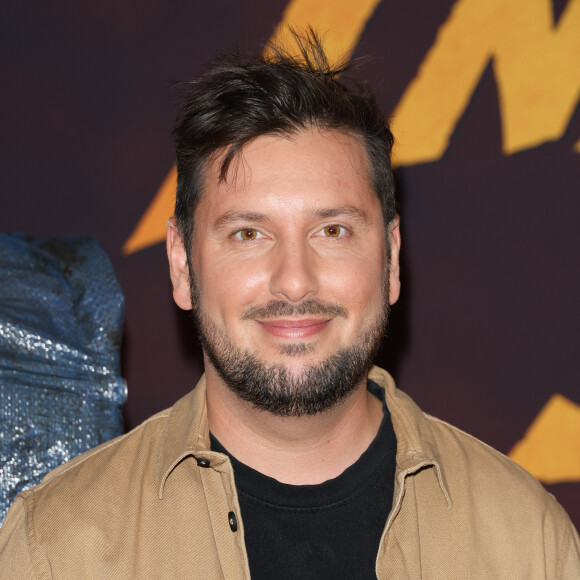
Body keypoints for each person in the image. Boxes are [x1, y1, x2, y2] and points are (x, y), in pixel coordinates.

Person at [1, 30, 578, 579]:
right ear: (182, 264)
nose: (295, 281)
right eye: (249, 234)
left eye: (332, 231)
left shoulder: (527, 540)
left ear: (392, 257)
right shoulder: (57, 548)